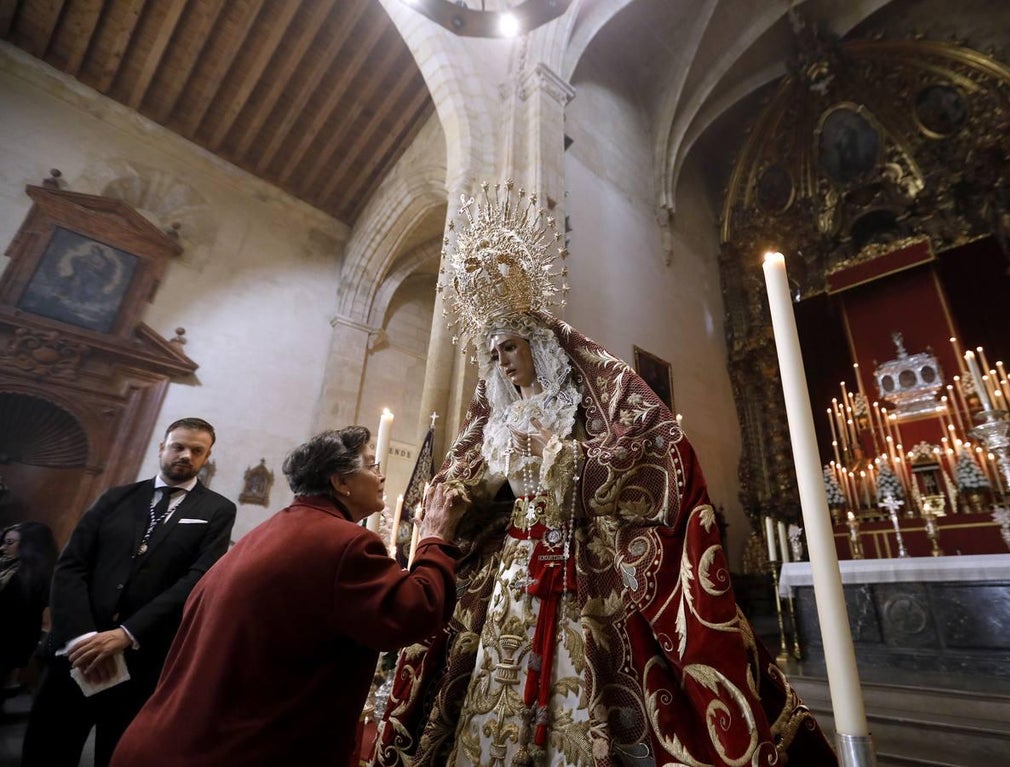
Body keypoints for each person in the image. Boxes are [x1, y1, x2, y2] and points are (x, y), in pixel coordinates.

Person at [374, 183, 836, 766]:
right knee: (495, 674)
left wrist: (561, 458)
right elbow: (479, 483)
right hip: (515, 564)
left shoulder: (586, 398)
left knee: (584, 673)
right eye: (493, 353)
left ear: (537, 345)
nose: (502, 361)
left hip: (576, 561)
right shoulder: (496, 417)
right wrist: (464, 491)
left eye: (510, 347)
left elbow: (644, 453)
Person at [111, 425, 462, 767]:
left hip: (166, 740)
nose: (381, 475)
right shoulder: (345, 542)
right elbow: (417, 611)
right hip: (229, 753)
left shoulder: (267, 532)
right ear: (340, 482)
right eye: (372, 465)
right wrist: (433, 538)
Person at [22, 417, 236, 767]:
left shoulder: (216, 510)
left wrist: (126, 633)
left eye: (196, 450)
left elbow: (198, 579)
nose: (185, 455)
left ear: (207, 456)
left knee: (121, 754)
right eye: (178, 446)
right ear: (162, 447)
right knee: (49, 749)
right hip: (77, 651)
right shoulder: (117, 497)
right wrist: (83, 638)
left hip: (143, 656)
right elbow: (72, 566)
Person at [0, 522, 58, 693]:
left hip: (8, 641)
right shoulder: (8, 568)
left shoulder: (32, 578)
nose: (3, 548)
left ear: (29, 546)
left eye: (9, 543)